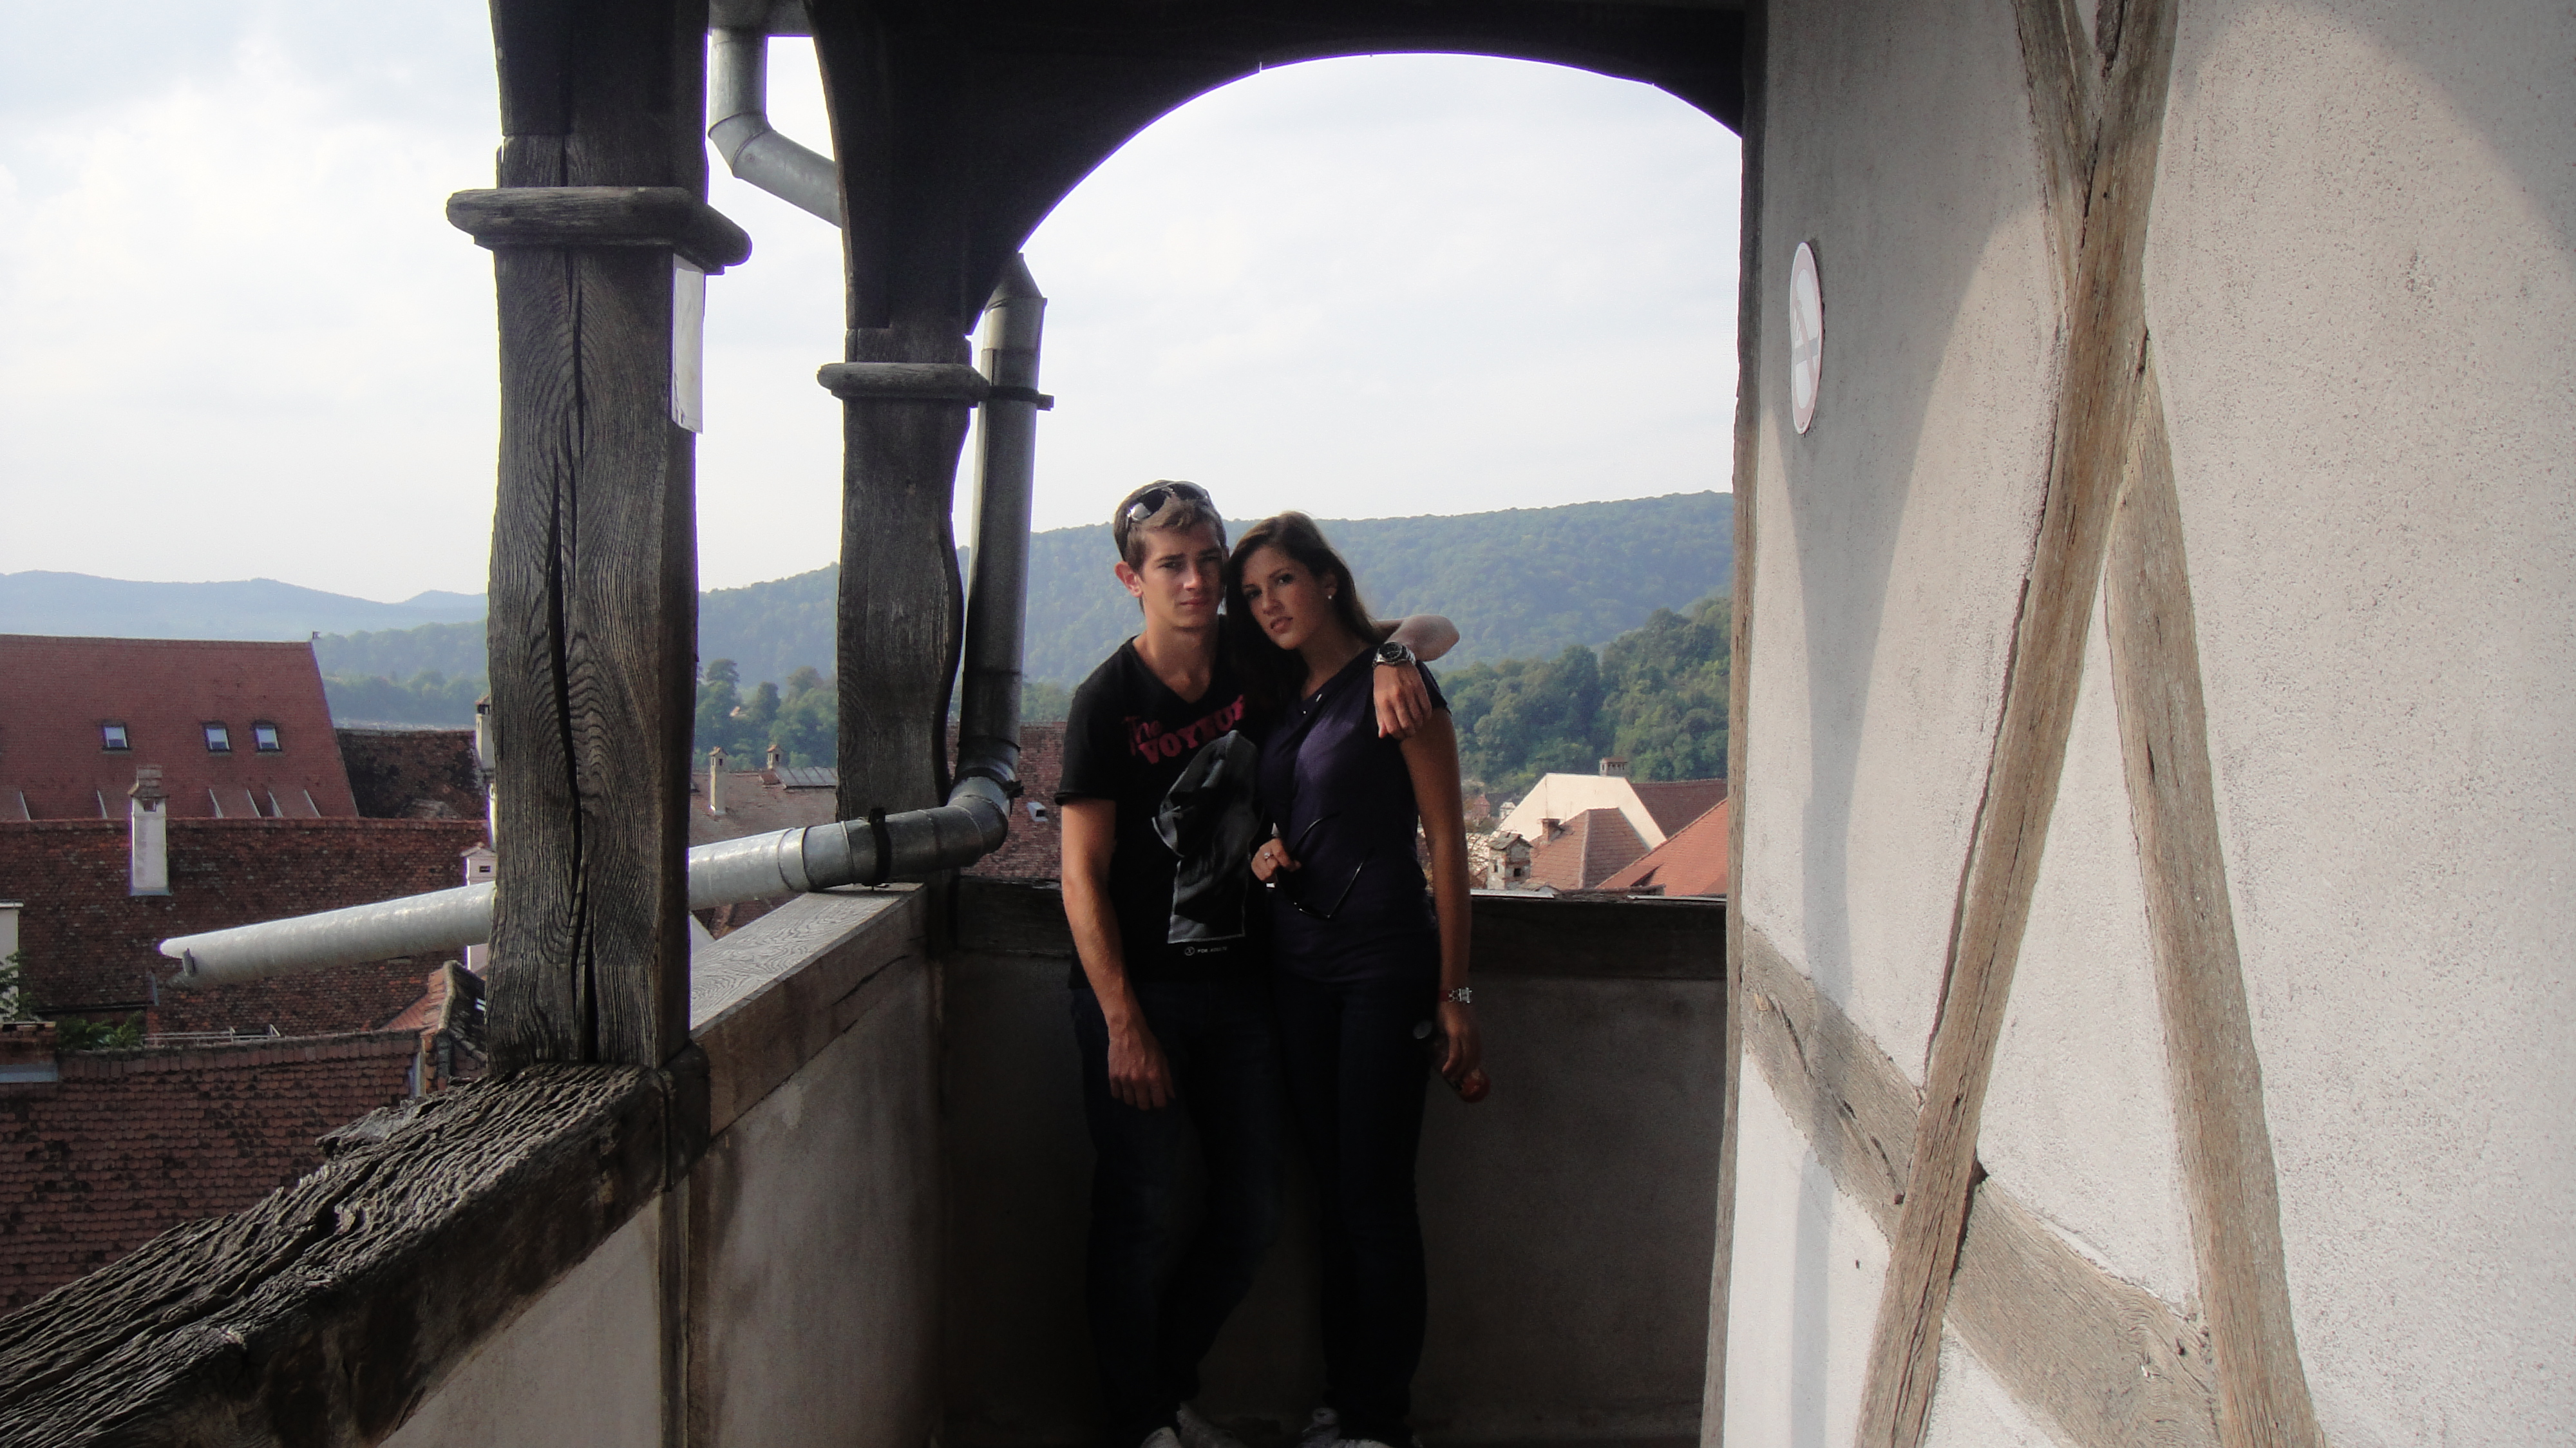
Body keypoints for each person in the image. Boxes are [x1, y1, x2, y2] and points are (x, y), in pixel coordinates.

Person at [1056, 482, 1457, 1448]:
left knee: (1254, 1213)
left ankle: (1165, 1395)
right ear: (1132, 580)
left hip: (1249, 989)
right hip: (1145, 996)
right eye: (1172, 565)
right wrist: (1121, 1022)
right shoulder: (1107, 703)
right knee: (1138, 1213)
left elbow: (1420, 631)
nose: (1197, 582)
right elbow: (1080, 875)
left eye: (1209, 561)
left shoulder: (1255, 655)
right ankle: (1143, 1421)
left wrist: (1396, 657)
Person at [1229, 512, 1481, 1448]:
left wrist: (1455, 995)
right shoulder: (1283, 697)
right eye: (1253, 594)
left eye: (1283, 581)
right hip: (1296, 971)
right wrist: (1261, 854)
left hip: (1382, 965)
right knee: (1332, 1200)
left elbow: (1447, 843)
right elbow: (1280, 814)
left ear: (1326, 579)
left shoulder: (1396, 683)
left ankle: (1380, 1420)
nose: (1269, 604)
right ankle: (1342, 1404)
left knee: (1374, 1198)